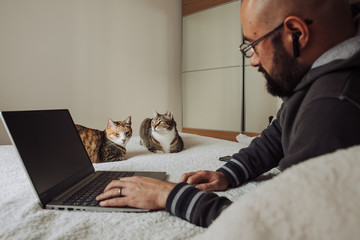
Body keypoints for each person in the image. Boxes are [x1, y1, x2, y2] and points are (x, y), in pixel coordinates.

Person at [96, 0, 360, 227]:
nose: (253, 60)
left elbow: (282, 226)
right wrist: (229, 173)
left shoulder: (333, 106)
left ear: (297, 34)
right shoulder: (325, 70)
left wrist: (171, 196)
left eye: (253, 45)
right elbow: (278, 134)